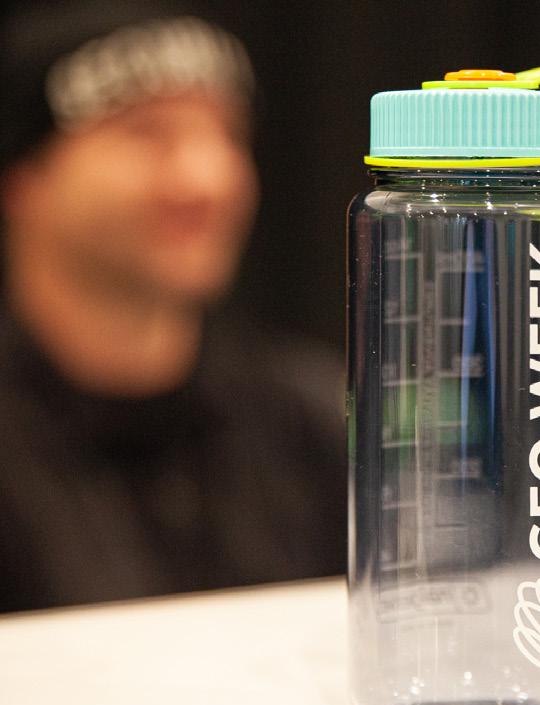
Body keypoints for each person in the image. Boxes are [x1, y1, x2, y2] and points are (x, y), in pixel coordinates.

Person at [0, 1, 344, 613]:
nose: (208, 178)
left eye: (228, 134)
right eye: (148, 133)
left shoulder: (315, 424)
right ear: (23, 178)